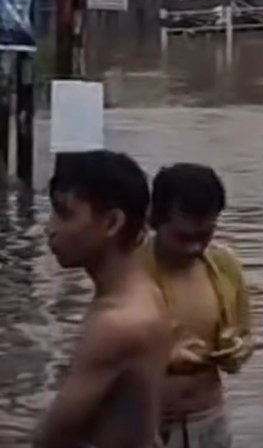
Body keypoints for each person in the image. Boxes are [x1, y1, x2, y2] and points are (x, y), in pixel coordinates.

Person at [36, 150, 172, 448]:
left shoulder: (116, 323)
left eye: (64, 213)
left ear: (112, 222)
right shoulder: (143, 289)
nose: (50, 229)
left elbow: (51, 439)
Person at [141, 163, 251, 448]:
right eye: (183, 237)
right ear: (154, 220)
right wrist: (163, 359)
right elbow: (103, 361)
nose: (194, 247)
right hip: (148, 424)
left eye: (205, 236)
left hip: (210, 419)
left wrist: (236, 349)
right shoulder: (130, 272)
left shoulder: (224, 268)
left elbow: (247, 335)